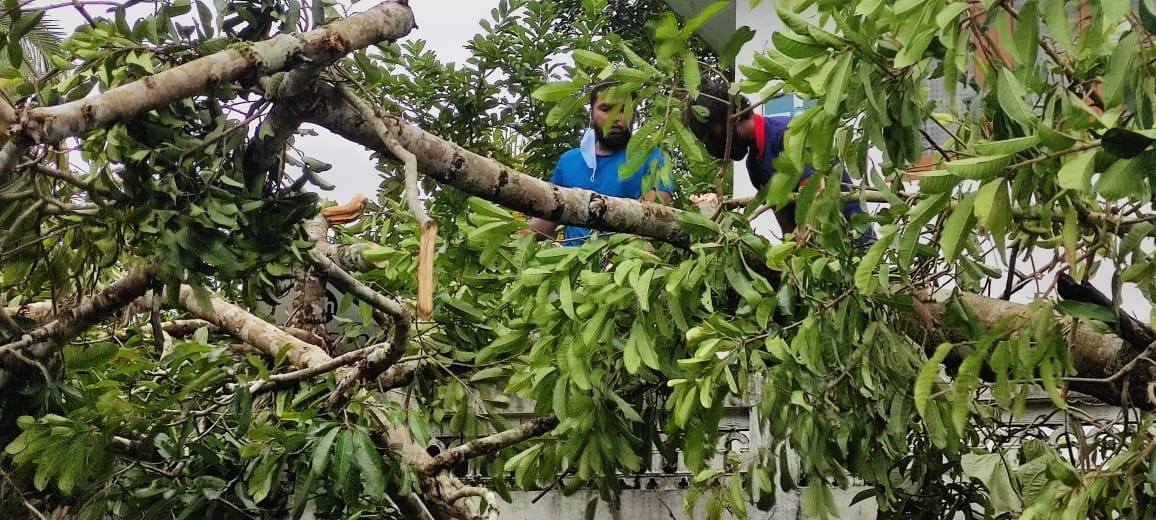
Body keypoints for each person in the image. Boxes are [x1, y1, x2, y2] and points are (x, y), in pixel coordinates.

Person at [686, 82, 872, 241]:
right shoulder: (755, 166)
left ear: (732, 117)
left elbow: (815, 194)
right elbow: (786, 224)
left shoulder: (789, 133)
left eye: (715, 134)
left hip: (853, 240)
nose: (714, 145)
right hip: (816, 258)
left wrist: (798, 248)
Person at [528, 82, 674, 245]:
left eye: (623, 110)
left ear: (634, 115)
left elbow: (657, 216)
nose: (615, 118)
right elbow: (544, 222)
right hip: (570, 263)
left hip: (625, 263)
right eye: (605, 109)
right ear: (591, 114)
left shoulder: (651, 156)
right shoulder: (569, 161)